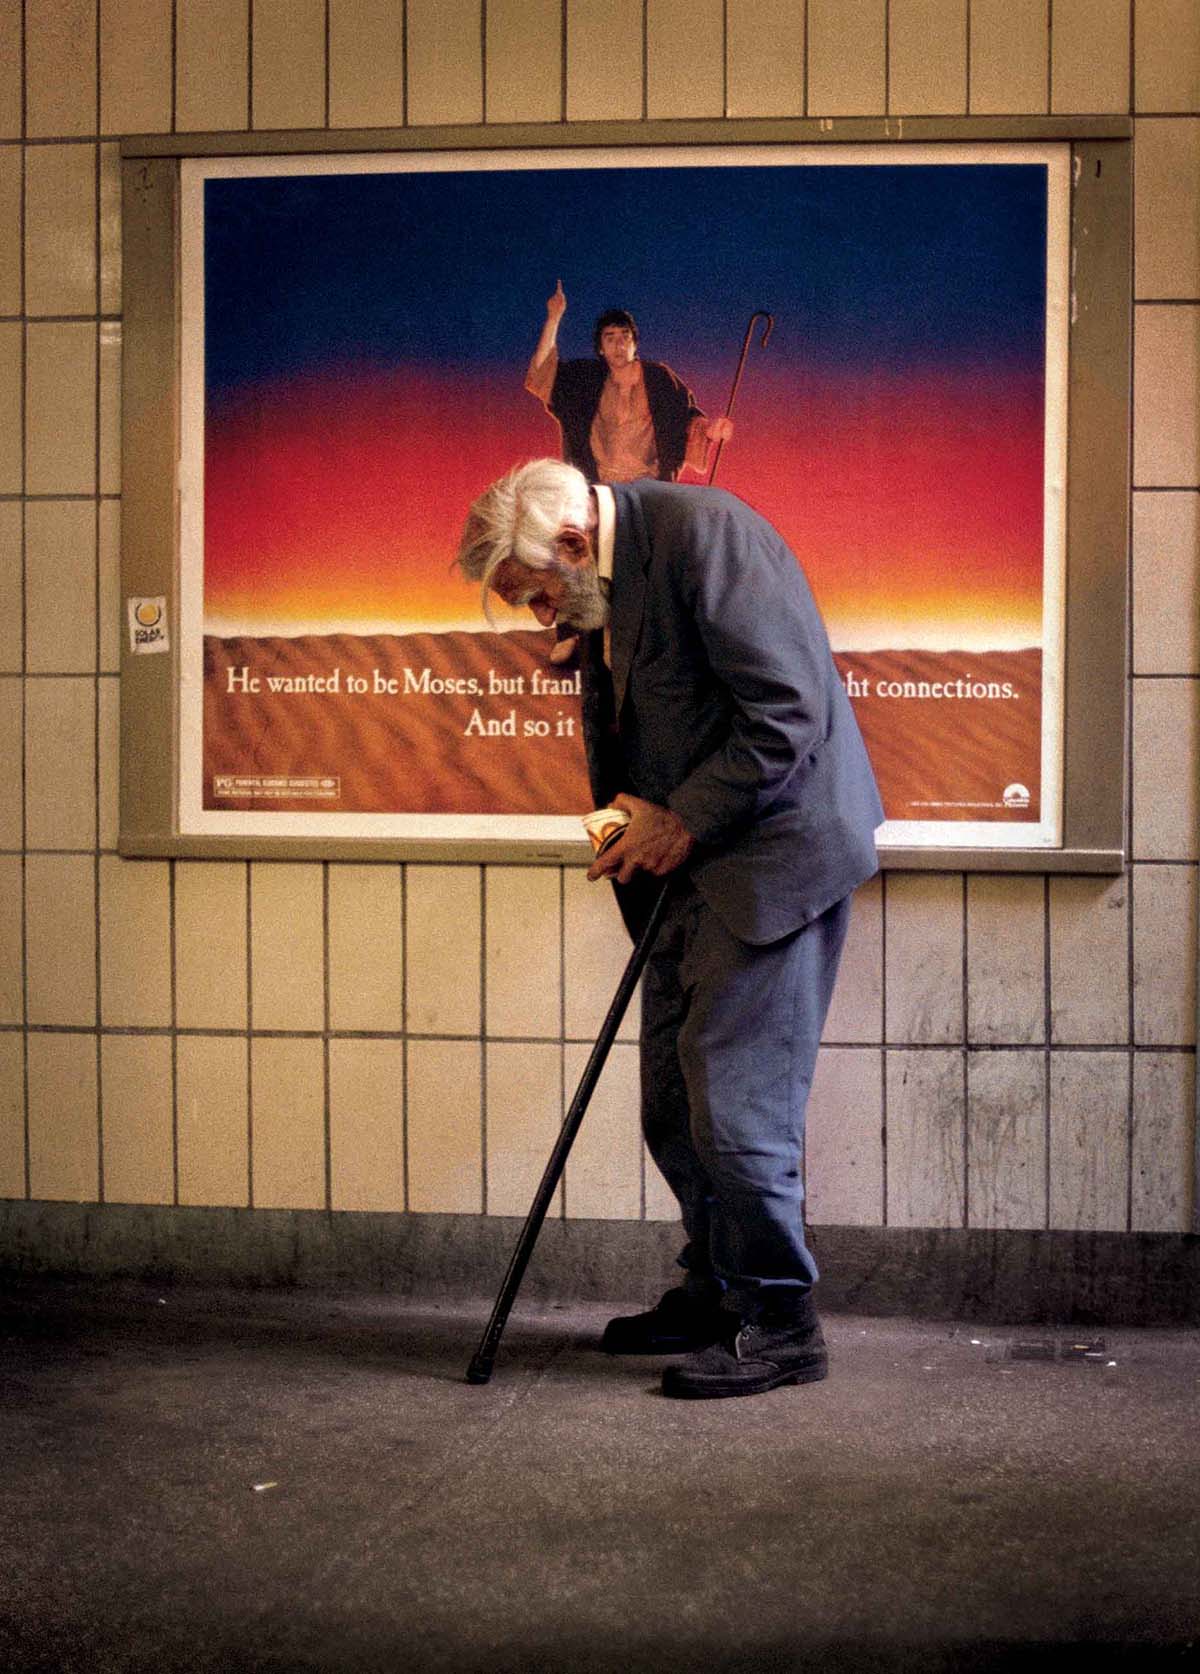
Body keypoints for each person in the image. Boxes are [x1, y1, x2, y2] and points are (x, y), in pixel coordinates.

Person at [456, 460, 883, 1401]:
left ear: (572, 546)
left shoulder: (704, 533)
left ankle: (781, 1323)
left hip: (770, 860)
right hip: (683, 868)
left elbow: (787, 716)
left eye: (537, 597)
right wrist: (621, 831)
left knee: (735, 1109)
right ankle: (718, 1290)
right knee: (669, 1104)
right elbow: (649, 732)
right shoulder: (602, 590)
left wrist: (673, 822)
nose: (542, 619)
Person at [525, 282, 733, 486]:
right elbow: (544, 374)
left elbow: (686, 418)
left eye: (626, 336)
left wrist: (710, 431)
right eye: (610, 338)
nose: (619, 344)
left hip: (650, 488)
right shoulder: (586, 379)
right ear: (601, 348)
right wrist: (554, 317)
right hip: (599, 489)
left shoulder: (659, 378)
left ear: (635, 343)